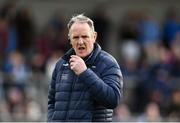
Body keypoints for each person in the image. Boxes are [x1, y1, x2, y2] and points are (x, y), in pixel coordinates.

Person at [47, 14, 123, 122]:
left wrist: (85, 73)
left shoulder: (108, 63)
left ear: (94, 37)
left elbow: (113, 100)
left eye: (85, 36)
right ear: (69, 39)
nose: (80, 42)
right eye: (76, 37)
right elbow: (52, 102)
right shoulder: (61, 64)